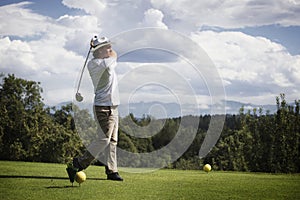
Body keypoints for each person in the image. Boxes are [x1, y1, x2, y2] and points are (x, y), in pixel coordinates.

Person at [67, 36, 123, 182]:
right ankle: (79, 162)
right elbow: (115, 54)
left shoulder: (97, 61)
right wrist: (102, 47)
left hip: (113, 105)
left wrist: (98, 45)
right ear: (99, 52)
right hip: (103, 107)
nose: (110, 49)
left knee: (112, 140)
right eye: (107, 47)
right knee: (104, 140)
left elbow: (111, 52)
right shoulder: (101, 63)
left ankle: (112, 171)